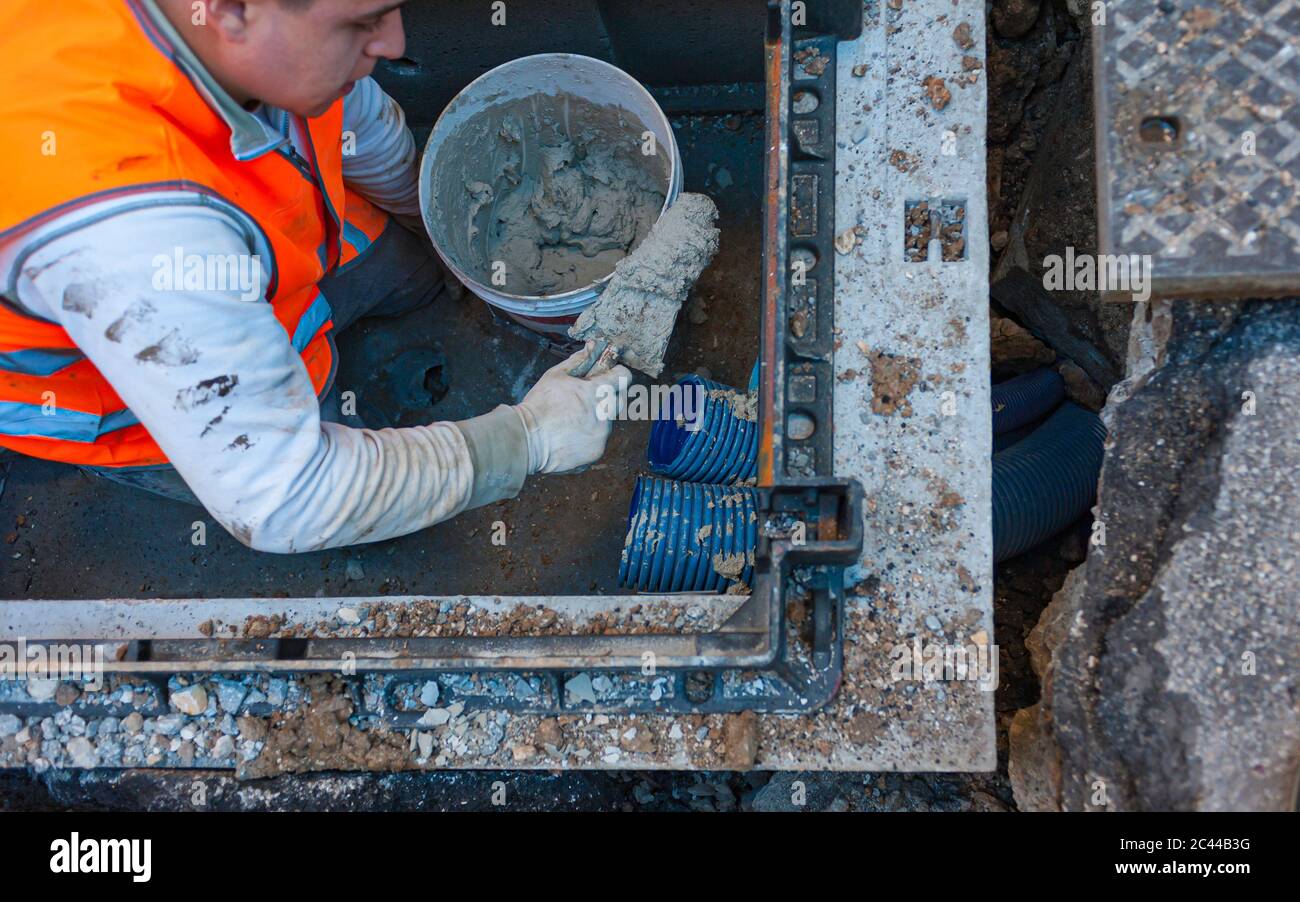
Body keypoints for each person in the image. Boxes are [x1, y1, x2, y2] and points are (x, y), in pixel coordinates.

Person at [0, 0, 629, 552]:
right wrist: (526, 439)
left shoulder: (277, 48)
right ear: (229, 9)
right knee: (327, 477)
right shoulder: (123, 228)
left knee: (411, 273)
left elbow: (354, 123)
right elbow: (286, 500)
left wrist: (440, 233)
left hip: (275, 243)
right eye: (362, 23)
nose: (394, 44)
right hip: (120, 395)